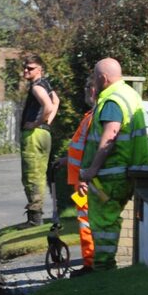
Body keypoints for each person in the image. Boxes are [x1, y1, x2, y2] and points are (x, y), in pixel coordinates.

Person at [76, 58, 148, 270]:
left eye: (95, 77)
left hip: (110, 176)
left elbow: (110, 135)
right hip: (125, 172)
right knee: (109, 221)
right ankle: (104, 266)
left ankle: (103, 268)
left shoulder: (111, 101)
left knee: (103, 223)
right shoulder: (130, 95)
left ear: (103, 78)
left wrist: (92, 170)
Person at [19, 54, 58, 227]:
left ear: (40, 69)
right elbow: (56, 101)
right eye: (25, 67)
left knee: (31, 175)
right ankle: (36, 215)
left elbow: (48, 106)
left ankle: (34, 218)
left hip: (34, 134)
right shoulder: (46, 84)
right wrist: (48, 122)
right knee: (40, 174)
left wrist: (36, 123)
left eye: (31, 68)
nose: (26, 70)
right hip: (45, 134)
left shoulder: (36, 87)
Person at [66, 76, 97, 276]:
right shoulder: (90, 115)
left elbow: (93, 149)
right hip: (81, 180)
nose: (86, 90)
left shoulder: (94, 116)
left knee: (86, 223)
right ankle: (90, 261)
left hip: (85, 181)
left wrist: (85, 177)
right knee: (85, 222)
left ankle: (90, 264)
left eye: (88, 87)